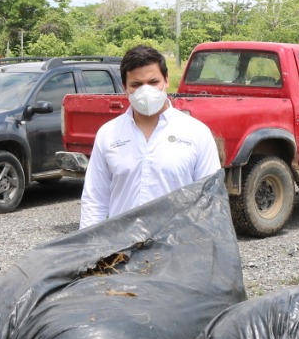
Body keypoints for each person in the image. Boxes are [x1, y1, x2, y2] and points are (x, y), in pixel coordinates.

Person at [79, 45, 221, 228]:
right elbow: (95, 200)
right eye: (136, 85)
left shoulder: (196, 133)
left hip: (177, 248)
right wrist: (91, 249)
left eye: (153, 82)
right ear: (125, 87)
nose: (145, 91)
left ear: (166, 80)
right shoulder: (108, 134)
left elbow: (210, 199)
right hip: (123, 248)